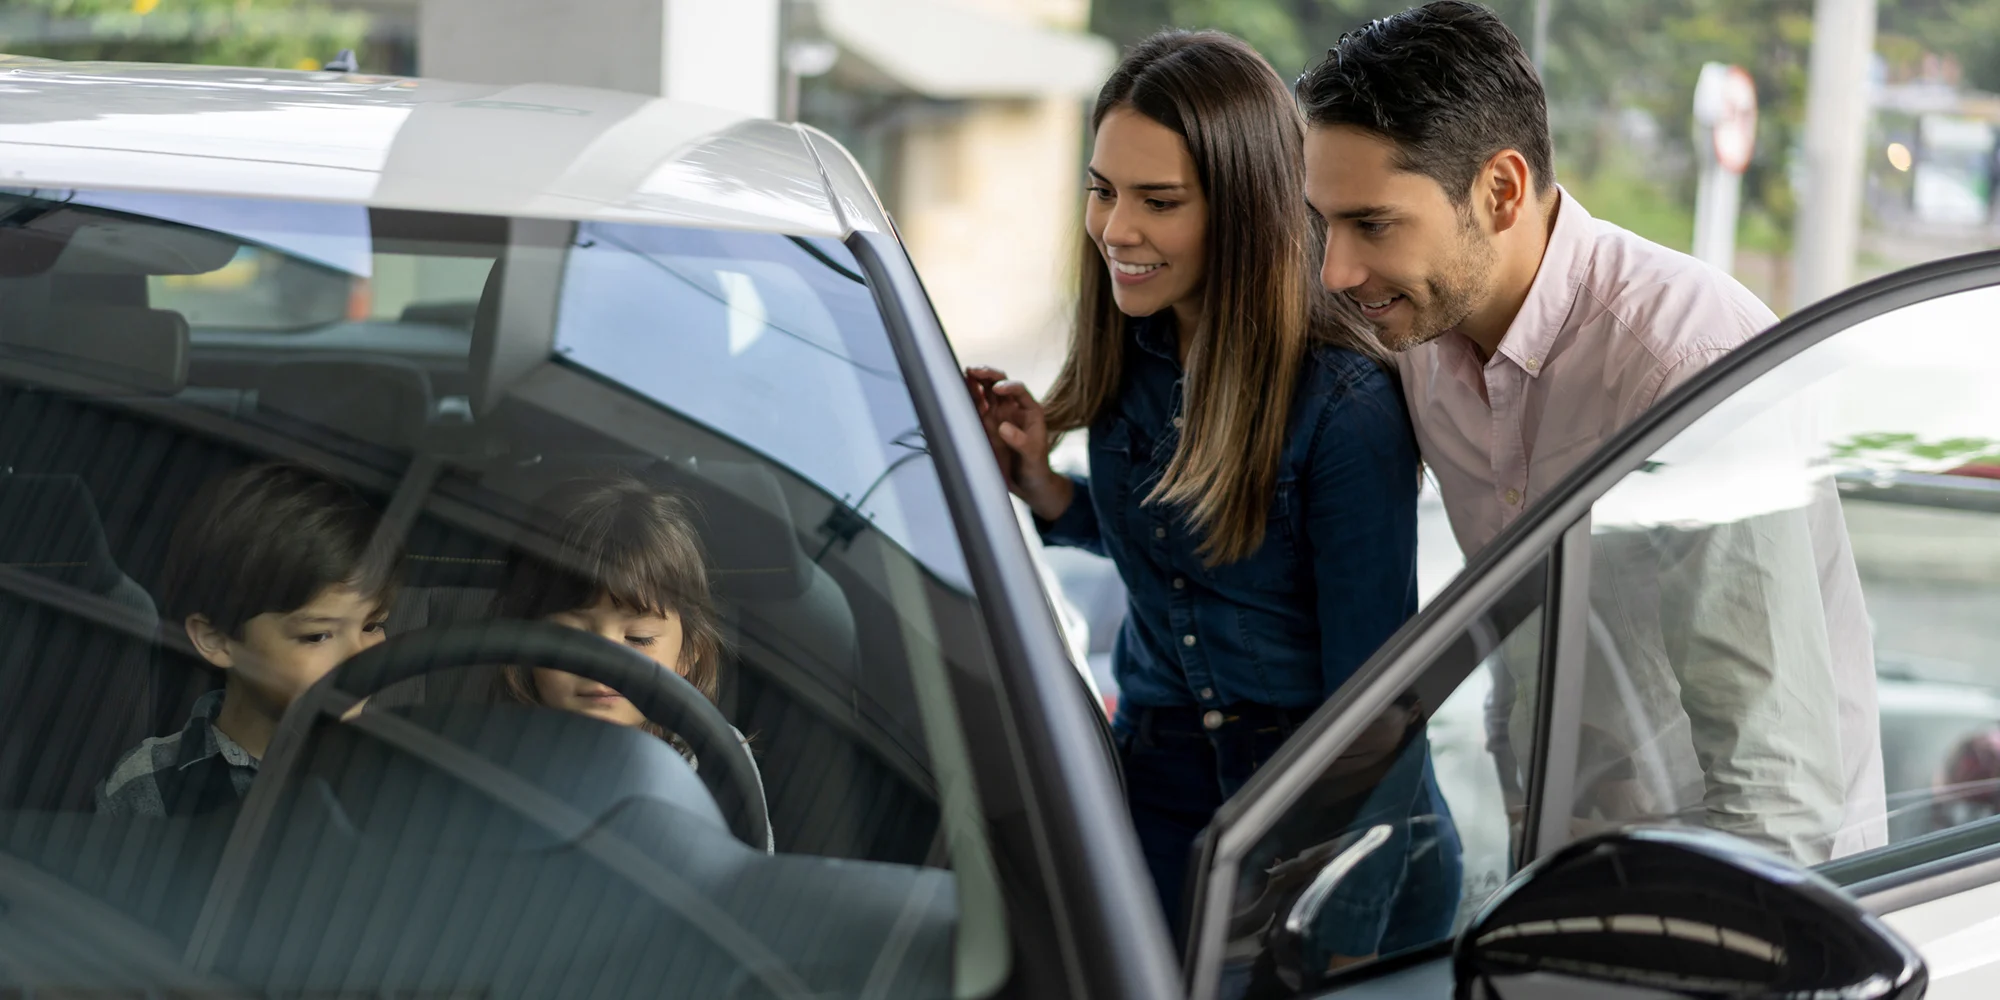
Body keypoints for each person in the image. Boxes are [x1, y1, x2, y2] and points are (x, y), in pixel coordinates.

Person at [1298, 1, 1885, 862]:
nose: (1336, 270)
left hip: (1733, 890)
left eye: (1372, 224)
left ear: (1501, 191)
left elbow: (1778, 789)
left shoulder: (1685, 360)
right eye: (1325, 222)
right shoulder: (1418, 332)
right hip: (1561, 864)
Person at [964, 29, 1457, 954]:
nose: (1116, 229)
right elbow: (1191, 551)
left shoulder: (1344, 405)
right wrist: (1048, 491)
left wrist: (1334, 934)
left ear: (1244, 209)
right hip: (1156, 771)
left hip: (1312, 806)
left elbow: (1373, 711)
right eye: (1103, 191)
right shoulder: (1135, 349)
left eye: (1159, 201)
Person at [97, 462, 395, 817]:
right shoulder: (151, 783)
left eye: (372, 626)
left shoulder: (401, 770)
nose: (360, 657)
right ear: (217, 640)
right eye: (317, 635)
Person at [488, 472, 769, 848]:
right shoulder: (494, 747)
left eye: (638, 639)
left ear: (687, 655)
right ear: (524, 644)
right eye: (572, 637)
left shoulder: (714, 755)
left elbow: (747, 872)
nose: (604, 665)